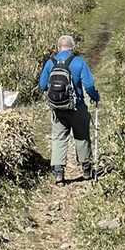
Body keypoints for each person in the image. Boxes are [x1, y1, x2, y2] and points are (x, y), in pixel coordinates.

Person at [38, 34, 100, 185]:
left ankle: (58, 173)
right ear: (73, 48)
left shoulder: (50, 62)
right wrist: (95, 96)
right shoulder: (79, 62)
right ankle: (86, 169)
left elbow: (42, 85)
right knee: (82, 137)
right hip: (77, 107)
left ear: (58, 47)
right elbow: (89, 86)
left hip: (58, 109)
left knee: (58, 138)